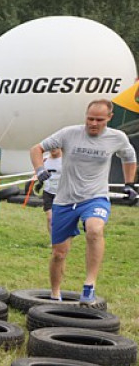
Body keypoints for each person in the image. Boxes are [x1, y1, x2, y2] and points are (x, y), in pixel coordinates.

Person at [29, 99, 137, 305]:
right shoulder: (69, 133)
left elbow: (129, 157)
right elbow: (36, 149)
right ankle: (55, 294)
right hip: (65, 200)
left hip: (95, 197)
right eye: (90, 119)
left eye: (99, 120)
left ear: (109, 118)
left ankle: (89, 286)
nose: (93, 123)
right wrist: (40, 170)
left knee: (95, 229)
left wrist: (129, 183)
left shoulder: (117, 137)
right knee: (59, 253)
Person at [39, 147, 62, 235]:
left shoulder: (66, 159)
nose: (53, 149)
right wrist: (39, 183)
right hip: (48, 192)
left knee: (60, 218)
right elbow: (39, 172)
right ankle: (53, 241)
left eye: (55, 147)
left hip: (62, 193)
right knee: (50, 218)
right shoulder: (44, 160)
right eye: (51, 147)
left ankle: (62, 238)